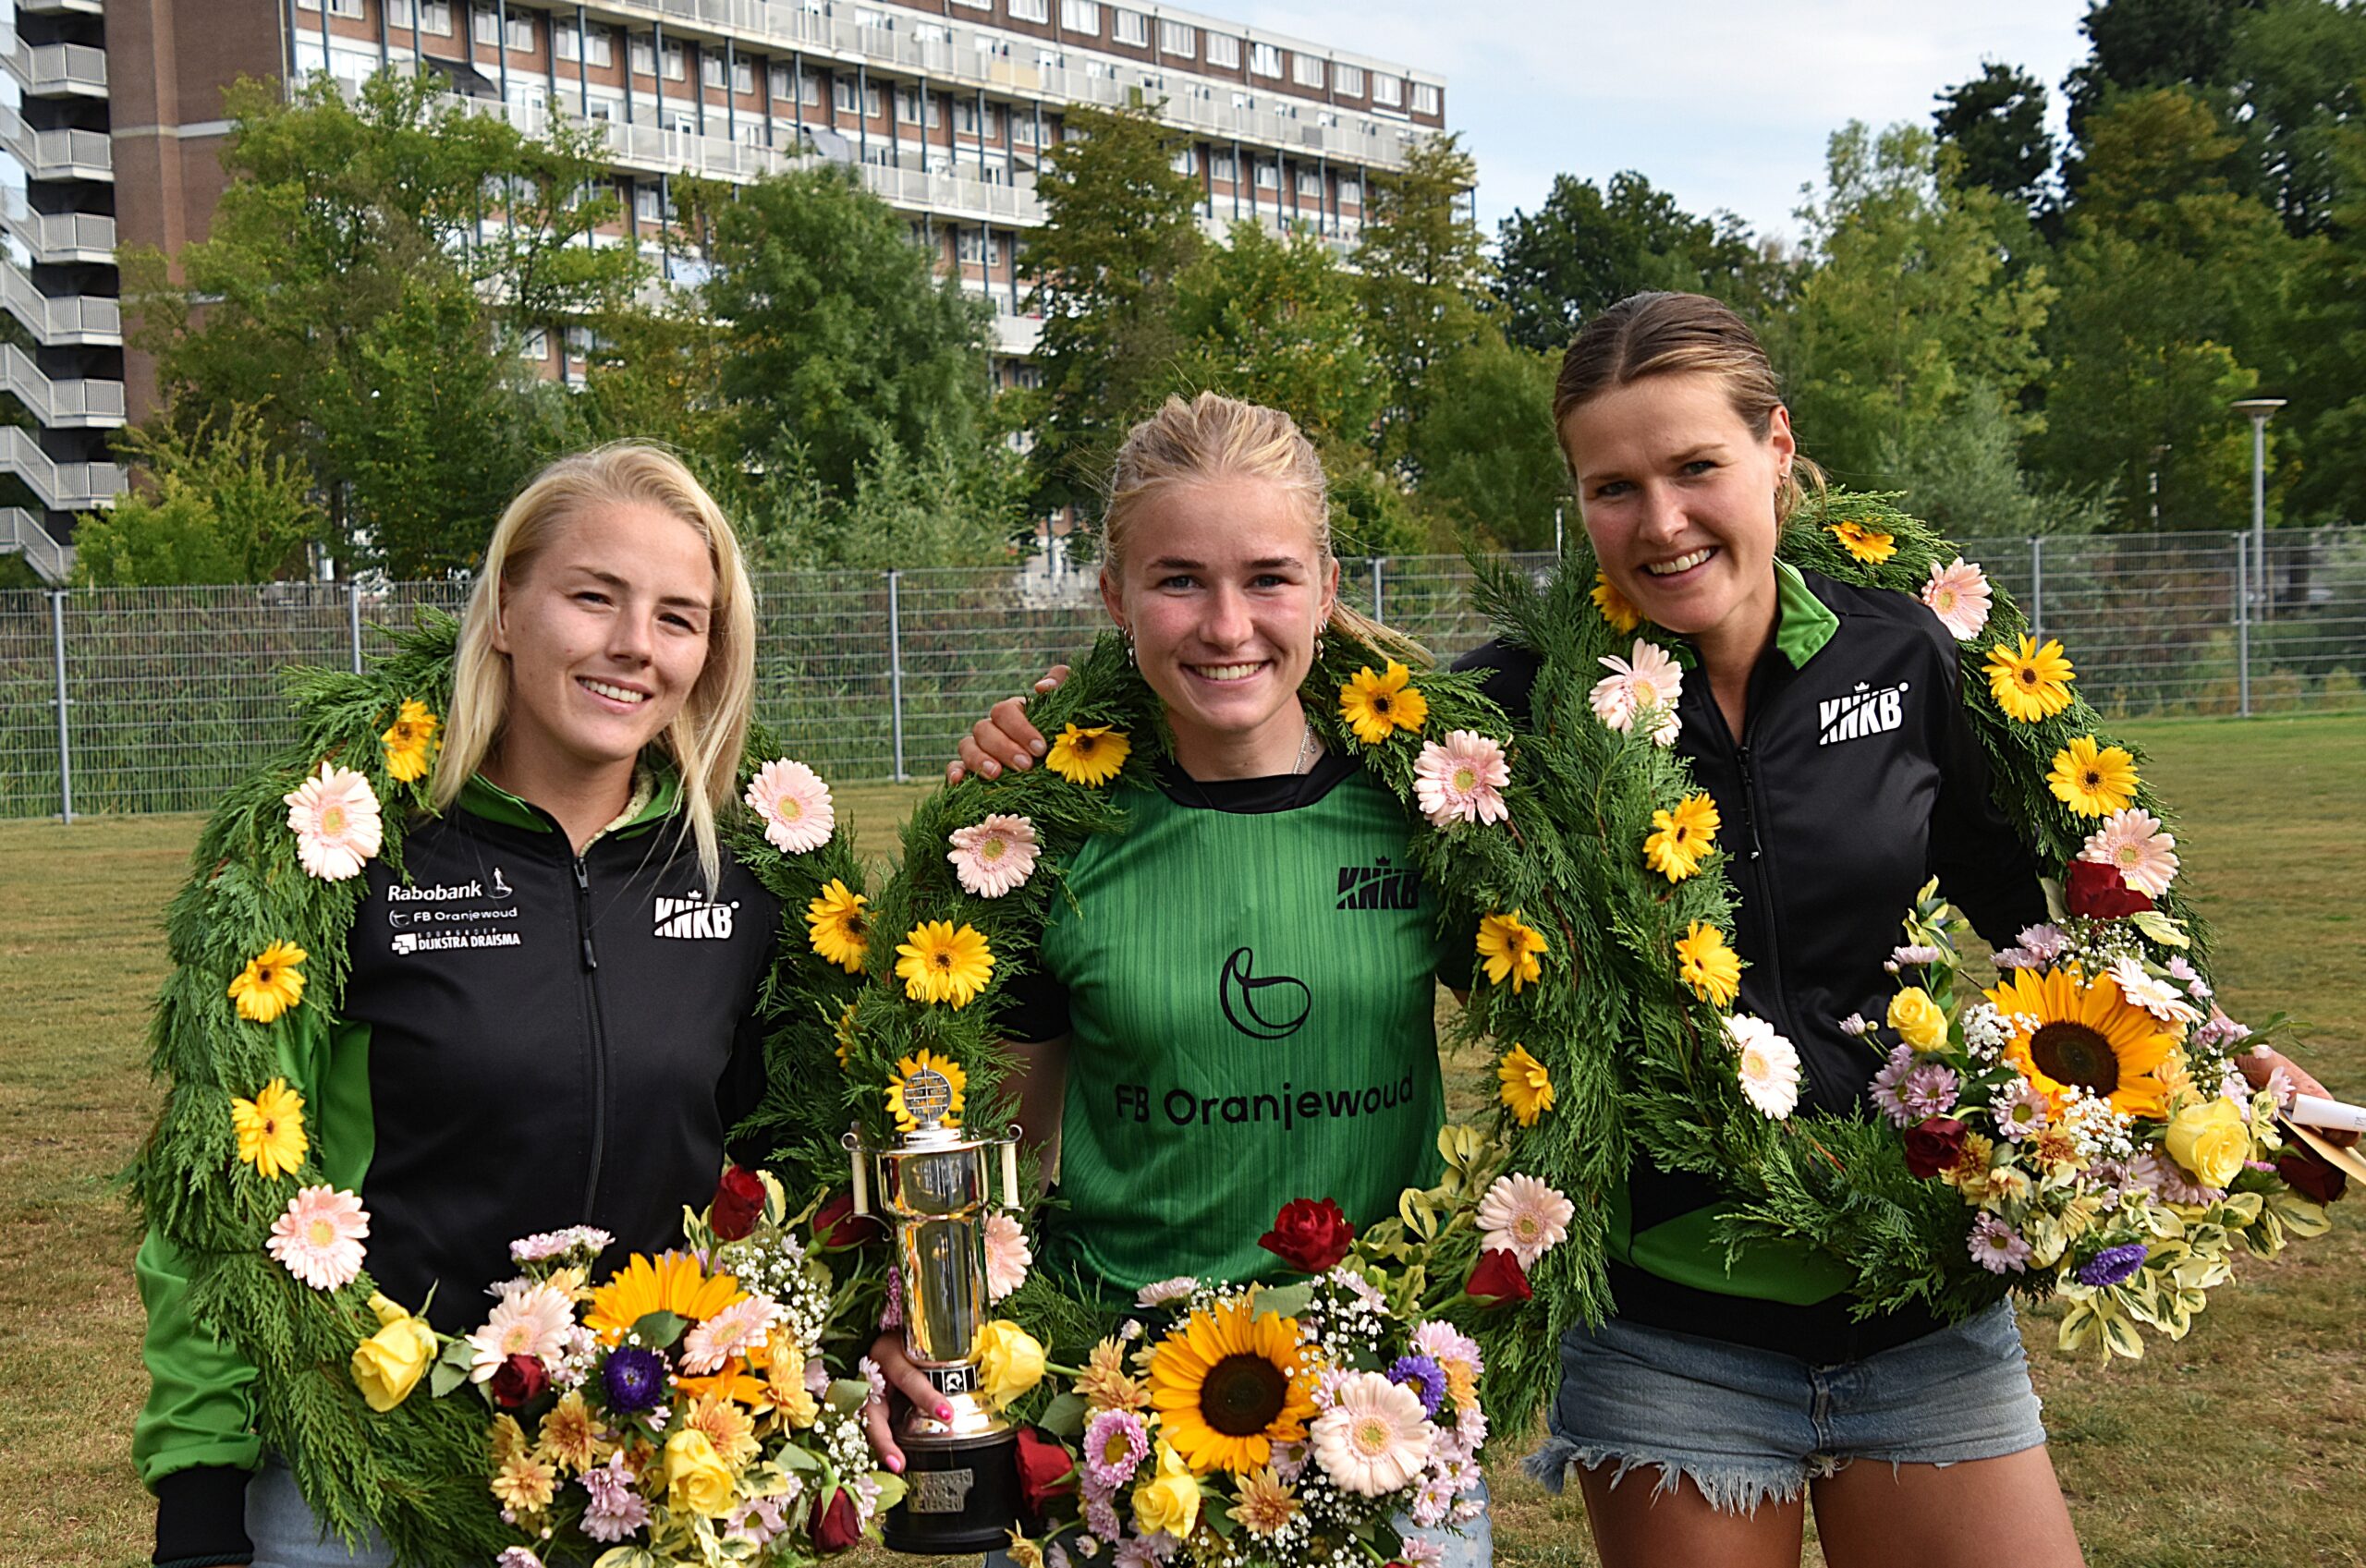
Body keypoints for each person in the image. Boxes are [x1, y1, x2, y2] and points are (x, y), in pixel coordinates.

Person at [957, 301, 2342, 1568]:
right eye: (1613, 487)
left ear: (1777, 452)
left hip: (1924, 1295)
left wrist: (2217, 1053)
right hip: (1669, 1328)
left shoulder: (1904, 651)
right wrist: (1056, 735)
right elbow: (1266, 741)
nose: (1660, 519)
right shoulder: (1511, 716)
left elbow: (2049, 918)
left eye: (1694, 468)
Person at [134, 444, 787, 1568]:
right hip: (359, 1477)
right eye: (594, 596)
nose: (635, 643)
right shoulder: (351, 859)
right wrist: (200, 1487)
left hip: (633, 1470)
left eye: (680, 616)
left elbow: (773, 1173)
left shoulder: (743, 887)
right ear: (501, 612)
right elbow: (220, 1194)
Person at [882, 391, 1490, 1568]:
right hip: (1124, 1412)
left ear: (1323, 583)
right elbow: (998, 1155)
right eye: (1178, 580)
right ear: (1112, 597)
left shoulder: (1429, 811)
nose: (1225, 626)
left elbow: (1564, 1048)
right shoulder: (1049, 835)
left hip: (1381, 1414)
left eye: (1267, 577)